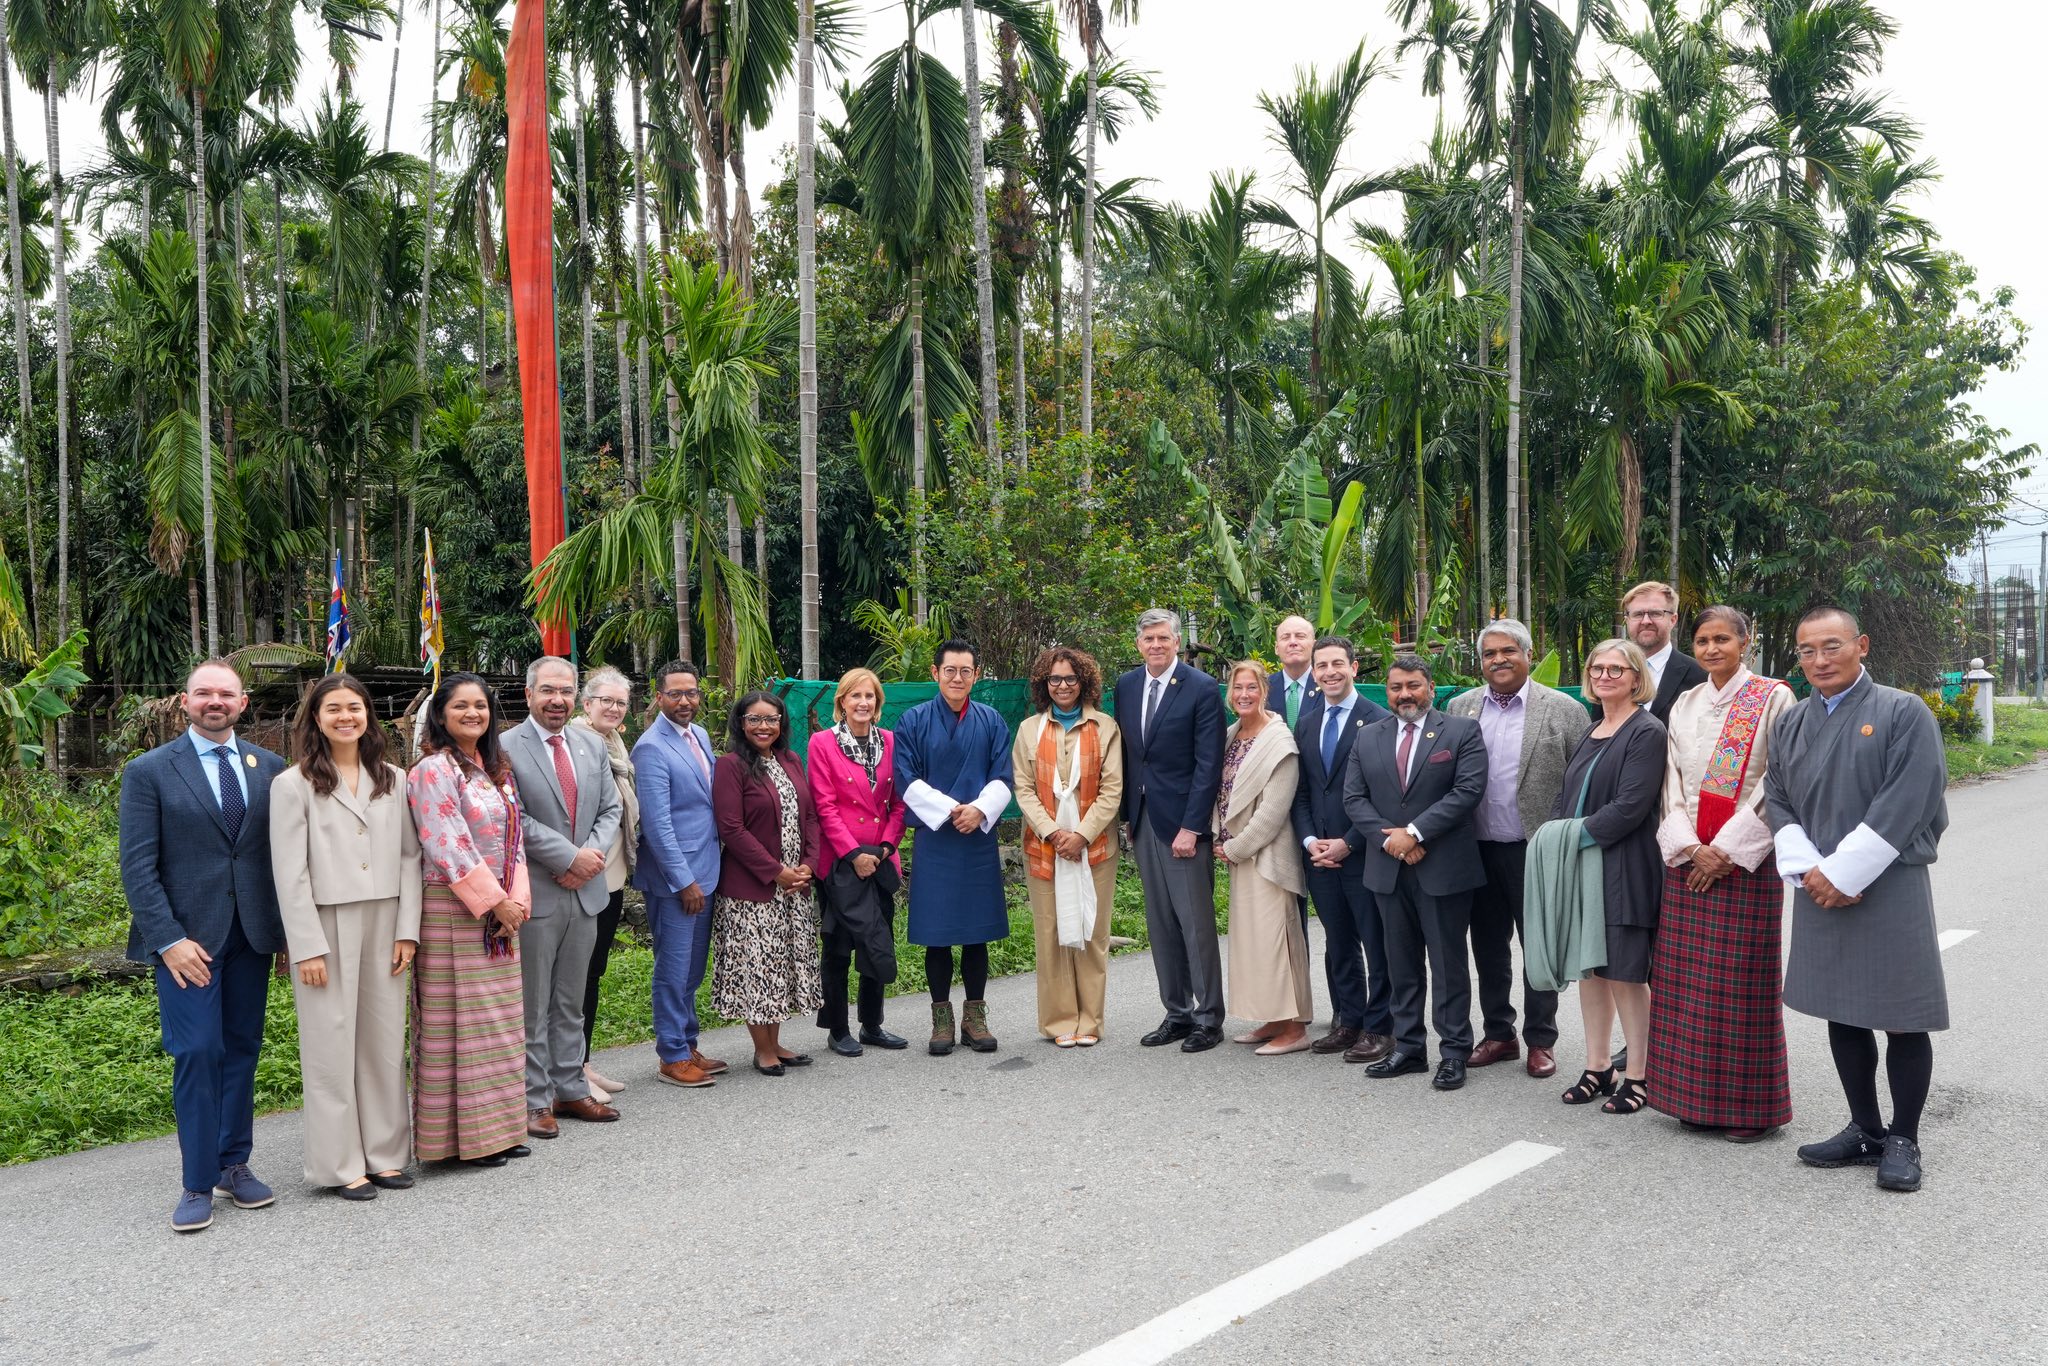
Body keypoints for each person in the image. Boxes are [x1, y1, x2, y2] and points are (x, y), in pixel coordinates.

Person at [1766, 606, 1949, 1194]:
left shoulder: (1902, 711)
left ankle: (1904, 1137)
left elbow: (1911, 796)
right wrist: (1808, 868)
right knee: (1841, 1008)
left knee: (1901, 1016)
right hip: (1818, 882)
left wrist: (1846, 870)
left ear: (1861, 645)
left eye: (1832, 646)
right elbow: (1776, 798)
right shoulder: (1791, 723)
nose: (1819, 660)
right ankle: (1864, 1128)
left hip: (1886, 880)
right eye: (1807, 650)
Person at [120, 660, 288, 1232]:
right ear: (183, 701)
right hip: (186, 943)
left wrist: (289, 935)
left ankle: (233, 1164)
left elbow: (279, 859)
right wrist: (168, 940)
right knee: (197, 1052)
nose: (215, 702)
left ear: (243, 704)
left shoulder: (270, 768)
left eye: (226, 694)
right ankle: (197, 1181)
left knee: (242, 1049)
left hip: (252, 935)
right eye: (203, 693)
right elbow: (138, 867)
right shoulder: (149, 771)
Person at [270, 672, 422, 1200]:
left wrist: (408, 931)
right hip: (327, 925)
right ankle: (339, 1164)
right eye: (333, 709)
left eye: (354, 708)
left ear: (368, 716)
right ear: (315, 718)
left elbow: (409, 856)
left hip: (386, 920)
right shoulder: (292, 785)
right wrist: (306, 944)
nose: (345, 717)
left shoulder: (394, 779)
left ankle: (384, 1154)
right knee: (331, 1045)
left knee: (383, 1042)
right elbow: (290, 873)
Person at [1649, 606, 1797, 1141]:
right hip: (1690, 860)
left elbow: (1778, 777)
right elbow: (1671, 779)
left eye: (1722, 639)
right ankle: (1692, 1099)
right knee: (1687, 985)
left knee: (1740, 984)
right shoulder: (1685, 702)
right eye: (1704, 640)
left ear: (1745, 641)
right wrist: (1690, 845)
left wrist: (1727, 849)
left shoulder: (1773, 697)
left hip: (1744, 862)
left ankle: (1749, 1109)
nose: (1712, 649)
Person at [1445, 619, 1589, 1080]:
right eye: (1489, 653)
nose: (1498, 660)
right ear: (1481, 661)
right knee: (1487, 947)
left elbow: (1581, 782)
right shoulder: (1460, 707)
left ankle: (1541, 1039)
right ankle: (1499, 1033)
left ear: (1528, 654)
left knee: (1538, 947)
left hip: (1536, 849)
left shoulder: (1565, 710)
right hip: (1475, 848)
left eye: (1508, 651)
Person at [1342, 653, 1487, 1091]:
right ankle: (1408, 1048)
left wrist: (1415, 833)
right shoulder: (1368, 737)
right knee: (1400, 962)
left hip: (1443, 867)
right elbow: (1354, 799)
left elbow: (1468, 790)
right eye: (1395, 687)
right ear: (1386, 691)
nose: (1404, 694)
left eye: (1413, 685)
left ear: (1431, 687)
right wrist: (1393, 841)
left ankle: (1454, 1051)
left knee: (1447, 963)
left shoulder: (1461, 731)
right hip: (1387, 869)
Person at [407, 673, 533, 1168]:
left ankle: (499, 1132)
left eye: (480, 706)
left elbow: (516, 841)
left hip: (501, 913)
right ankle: (454, 1143)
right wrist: (495, 902)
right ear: (440, 715)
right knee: (456, 1027)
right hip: (453, 911)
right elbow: (447, 841)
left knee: (499, 1027)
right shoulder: (432, 770)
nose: (472, 714)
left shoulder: (496, 770)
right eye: (460, 706)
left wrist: (517, 903)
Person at [502, 656, 624, 1139]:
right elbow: (515, 817)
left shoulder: (591, 744)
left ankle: (571, 1088)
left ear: (576, 696)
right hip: (539, 892)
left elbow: (610, 805)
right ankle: (534, 1101)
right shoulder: (506, 746)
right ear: (529, 694)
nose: (558, 699)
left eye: (566, 691)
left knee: (571, 1001)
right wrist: (569, 858)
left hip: (586, 891)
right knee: (533, 1004)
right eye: (548, 690)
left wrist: (589, 856)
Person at [1551, 639, 1668, 1117]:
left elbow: (1631, 806)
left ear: (1637, 678)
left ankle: (1639, 1075)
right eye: (1597, 668)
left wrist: (1567, 839)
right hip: (1583, 864)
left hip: (1624, 865)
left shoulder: (1647, 731)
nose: (1604, 676)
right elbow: (1566, 796)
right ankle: (1599, 1067)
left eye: (1616, 670)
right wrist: (1555, 838)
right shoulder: (1592, 726)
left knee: (1625, 973)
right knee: (1592, 971)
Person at [1115, 609, 1227, 1053]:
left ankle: (1209, 1017)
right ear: (1139, 644)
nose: (1156, 645)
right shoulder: (1126, 685)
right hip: (1143, 820)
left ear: (1177, 641)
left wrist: (1192, 826)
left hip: (1183, 825)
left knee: (1195, 924)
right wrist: (1127, 814)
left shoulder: (1200, 688)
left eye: (1164, 638)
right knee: (1160, 923)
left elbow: (1208, 764)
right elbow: (1128, 754)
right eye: (1149, 639)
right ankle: (1177, 1012)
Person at [896, 640, 1015, 1055]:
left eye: (966, 671)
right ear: (935, 673)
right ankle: (941, 1020)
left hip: (977, 839)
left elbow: (1004, 775)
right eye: (950, 670)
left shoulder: (992, 720)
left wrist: (979, 811)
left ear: (976, 675)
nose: (958, 678)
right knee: (938, 935)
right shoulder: (912, 721)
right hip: (936, 839)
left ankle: (975, 1018)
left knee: (976, 933)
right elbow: (905, 778)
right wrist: (952, 810)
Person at [1288, 635, 1393, 1061]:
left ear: (1353, 667)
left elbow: (1384, 796)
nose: (1329, 672)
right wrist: (1312, 841)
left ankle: (1382, 1026)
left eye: (1337, 663)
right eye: (1321, 666)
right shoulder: (1307, 722)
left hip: (1364, 852)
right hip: (1319, 857)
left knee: (1376, 940)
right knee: (1338, 941)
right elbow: (1304, 792)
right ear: (1313, 673)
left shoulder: (1379, 719)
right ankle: (1347, 1020)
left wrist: (1348, 843)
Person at [1013, 648, 1124, 1047]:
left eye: (1070, 679)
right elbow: (1023, 789)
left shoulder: (1105, 726)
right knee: (1051, 932)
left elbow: (1112, 790)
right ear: (1045, 684)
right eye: (1054, 680)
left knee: (1093, 932)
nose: (1062, 686)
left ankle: (1090, 1022)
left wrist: (1081, 834)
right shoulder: (1030, 729)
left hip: (1095, 848)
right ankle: (1061, 1023)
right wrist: (1053, 834)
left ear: (1084, 683)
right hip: (1044, 849)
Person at [711, 691, 825, 1074]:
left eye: (772, 719)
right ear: (740, 723)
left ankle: (776, 1042)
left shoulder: (791, 760)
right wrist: (776, 871)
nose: (764, 726)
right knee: (758, 968)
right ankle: (763, 1050)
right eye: (755, 719)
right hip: (754, 889)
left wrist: (808, 865)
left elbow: (809, 817)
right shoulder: (730, 766)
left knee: (781, 965)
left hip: (794, 887)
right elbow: (731, 828)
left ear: (782, 723)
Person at [632, 661, 728, 1088]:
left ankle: (688, 1043)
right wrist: (683, 880)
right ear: (659, 697)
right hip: (677, 880)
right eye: (676, 694)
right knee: (672, 969)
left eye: (692, 693)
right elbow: (657, 824)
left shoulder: (700, 736)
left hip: (706, 870)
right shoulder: (651, 747)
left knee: (692, 968)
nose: (686, 701)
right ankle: (671, 1054)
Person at [807, 667, 910, 1056]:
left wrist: (883, 849)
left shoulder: (892, 742)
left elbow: (899, 804)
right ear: (842, 703)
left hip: (881, 859)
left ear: (878, 704)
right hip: (840, 861)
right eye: (855, 696)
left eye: (870, 697)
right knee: (837, 946)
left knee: (876, 939)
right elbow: (824, 805)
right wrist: (854, 855)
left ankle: (872, 1025)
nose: (863, 703)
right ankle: (837, 1029)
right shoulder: (822, 743)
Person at [1216, 661, 1312, 1054]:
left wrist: (1236, 847)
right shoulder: (1230, 735)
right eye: (1238, 688)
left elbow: (1273, 811)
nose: (1243, 695)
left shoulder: (1279, 740)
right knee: (1252, 943)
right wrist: (1218, 838)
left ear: (1264, 692)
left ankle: (1294, 1030)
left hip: (1267, 856)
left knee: (1276, 940)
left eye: (1251, 688)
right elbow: (1219, 792)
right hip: (1237, 854)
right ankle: (1273, 1019)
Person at [569, 666, 639, 1103]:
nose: (613, 708)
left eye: (621, 703)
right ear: (586, 703)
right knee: (574, 976)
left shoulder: (614, 744)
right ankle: (570, 1067)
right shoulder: (577, 742)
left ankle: (584, 1063)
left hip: (612, 875)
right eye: (605, 701)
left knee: (593, 972)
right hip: (582, 872)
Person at [1622, 580, 1707, 724]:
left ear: (1673, 620)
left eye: (1655, 613)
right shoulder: (1608, 674)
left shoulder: (1701, 676)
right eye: (1638, 614)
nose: (1646, 621)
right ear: (1627, 620)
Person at [1266, 614, 1317, 727]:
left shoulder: (1327, 685)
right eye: (1285, 637)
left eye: (1300, 636)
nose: (1293, 642)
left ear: (1314, 645)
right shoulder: (1264, 687)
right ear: (1276, 648)